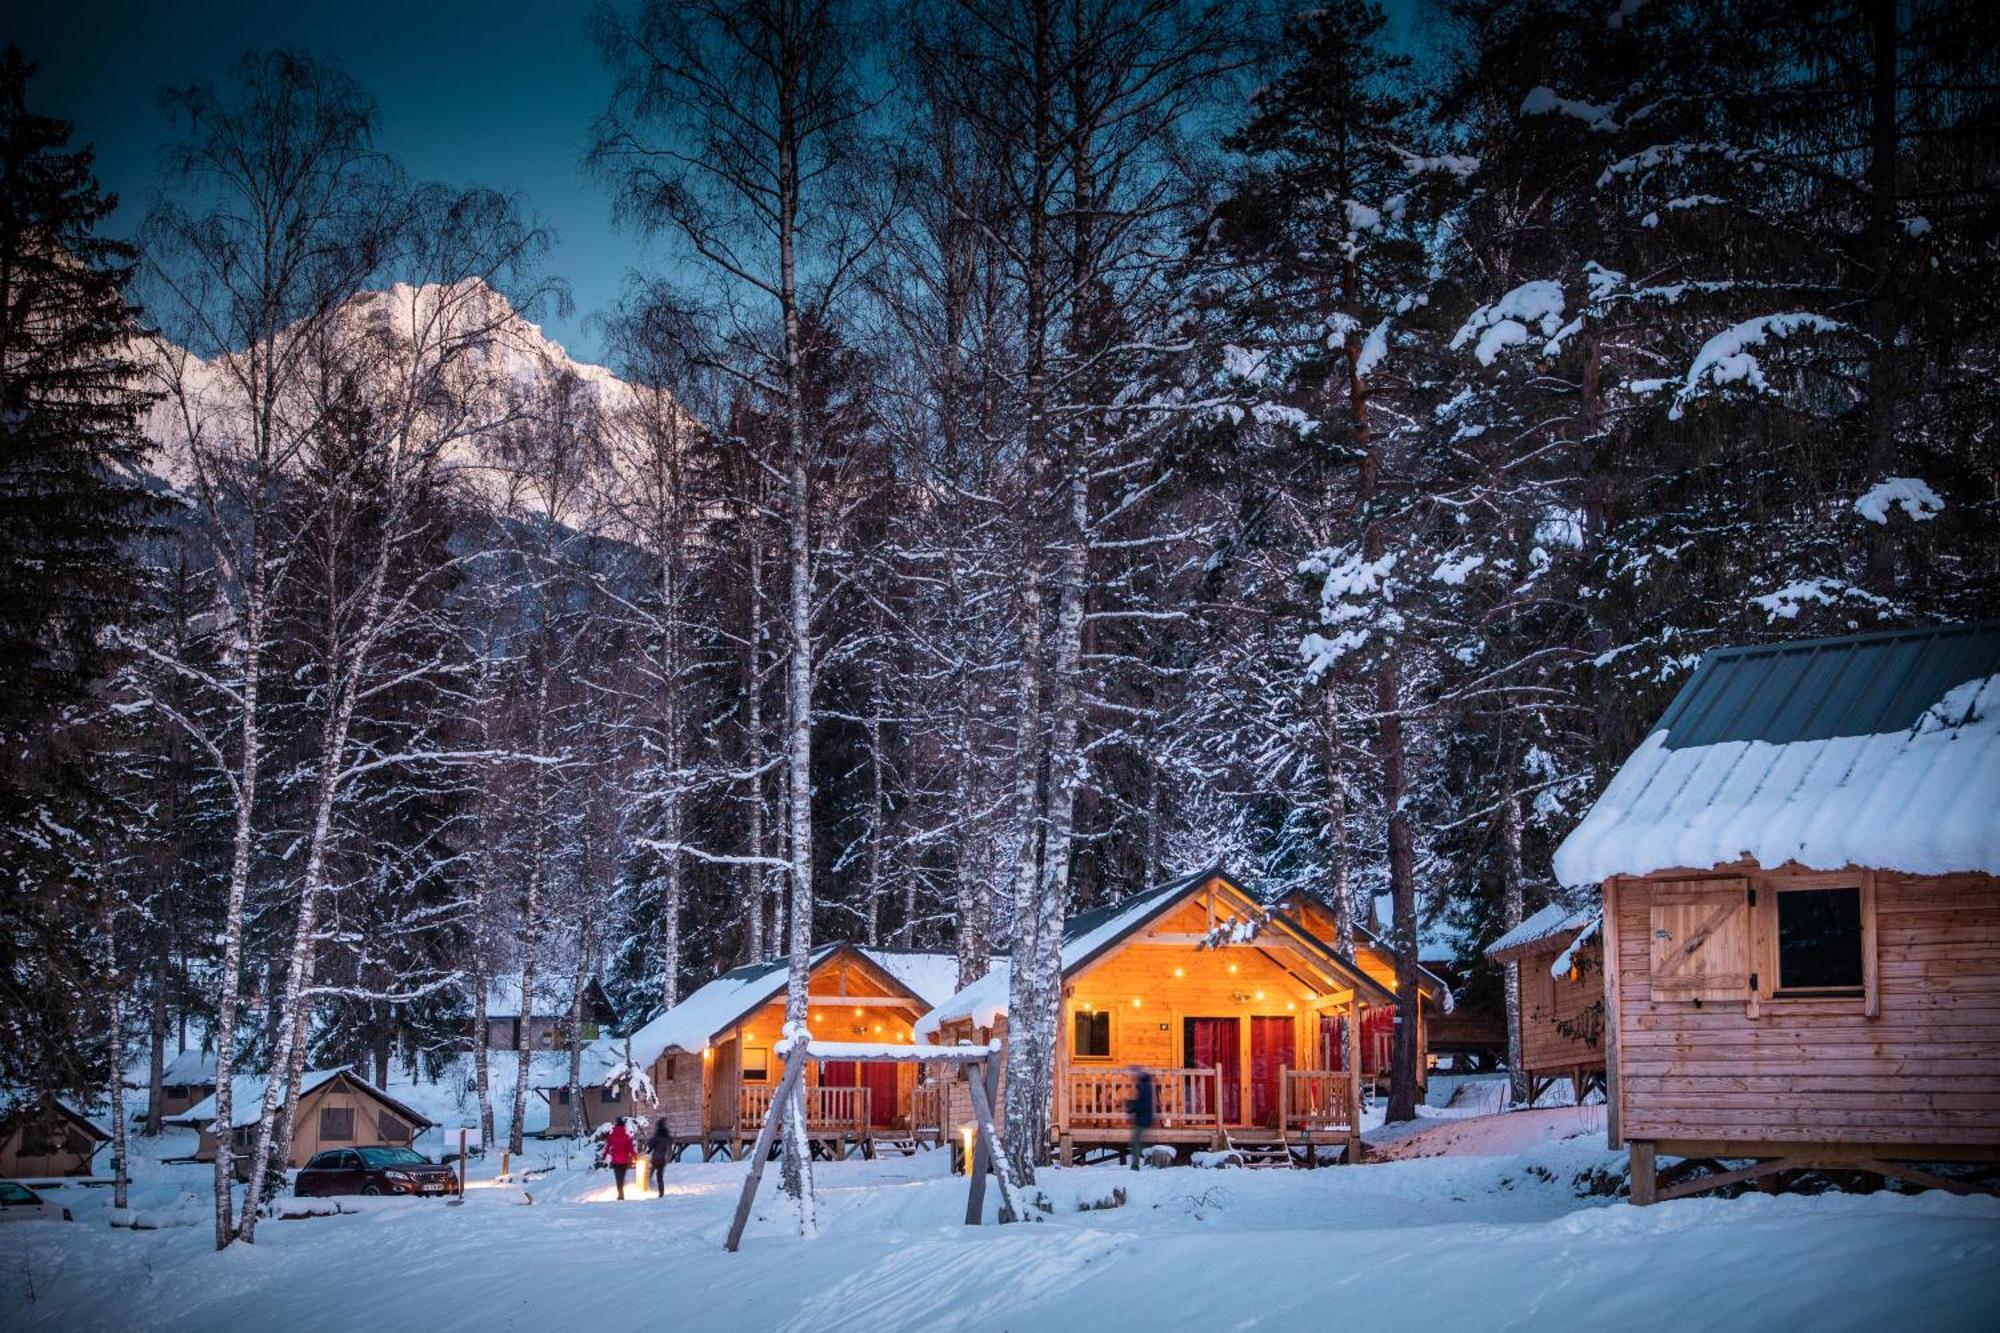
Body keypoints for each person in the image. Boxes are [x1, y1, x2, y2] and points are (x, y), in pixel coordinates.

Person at [1127, 1068, 1156, 1171]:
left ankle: (1135, 1165)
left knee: (1135, 1142)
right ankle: (1138, 1162)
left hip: (1143, 1119)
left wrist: (1132, 1106)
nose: (1133, 1078)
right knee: (1137, 1142)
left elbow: (1144, 1105)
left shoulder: (1145, 1088)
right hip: (1143, 1118)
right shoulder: (1144, 1087)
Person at [604, 1116, 636, 1199]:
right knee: (622, 1177)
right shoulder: (626, 1136)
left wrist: (604, 1155)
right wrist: (634, 1156)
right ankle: (621, 1193)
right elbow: (630, 1148)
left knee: (618, 1178)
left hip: (615, 1161)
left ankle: (620, 1193)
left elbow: (608, 1146)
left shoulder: (612, 1135)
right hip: (624, 1161)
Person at [646, 1118, 672, 1198]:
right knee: (660, 1177)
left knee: (650, 1172)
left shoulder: (656, 1136)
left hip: (655, 1158)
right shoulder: (667, 1137)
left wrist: (647, 1151)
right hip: (662, 1159)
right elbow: (670, 1143)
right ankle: (661, 1193)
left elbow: (650, 1146)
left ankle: (647, 1185)